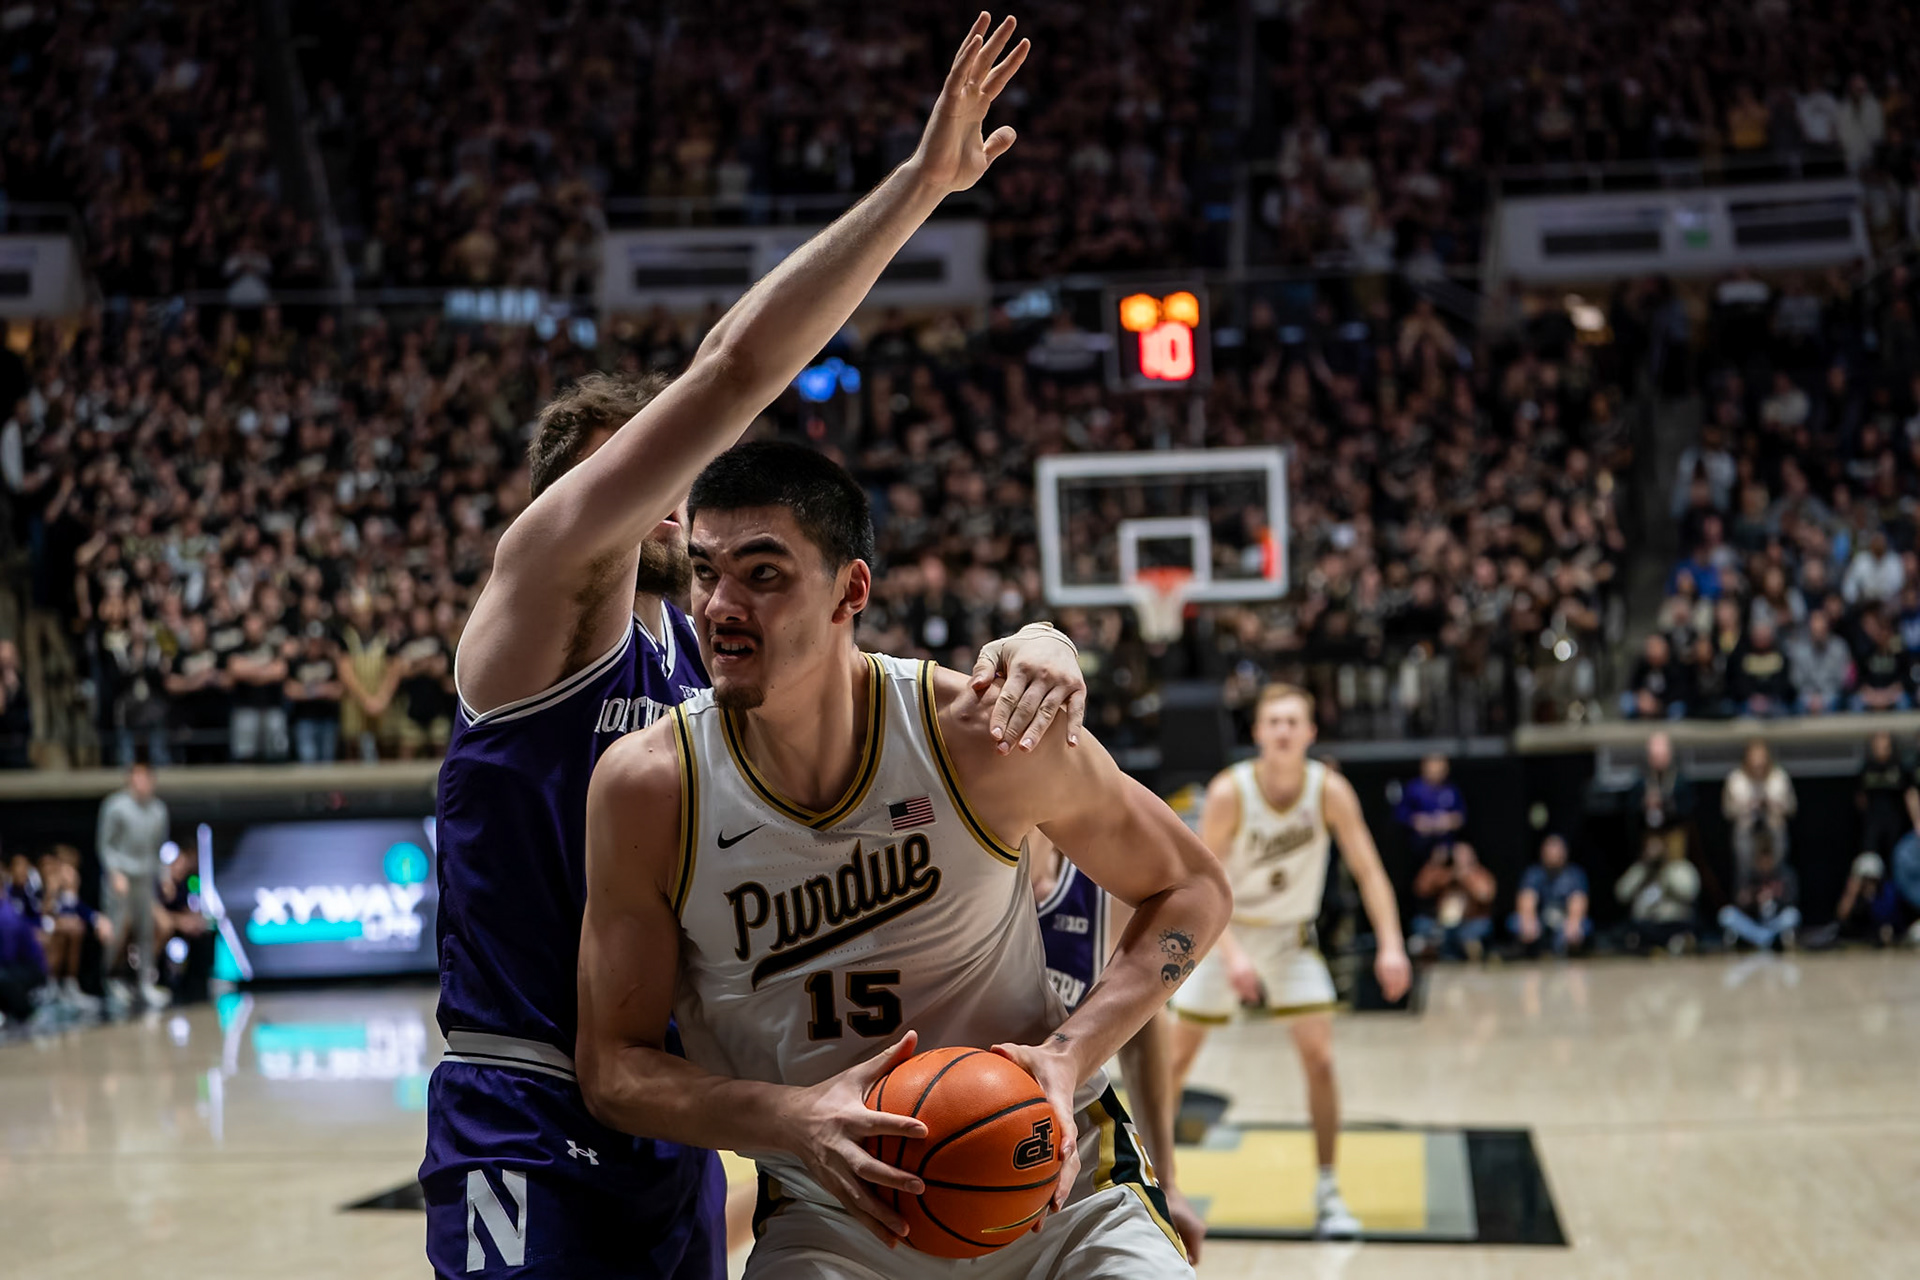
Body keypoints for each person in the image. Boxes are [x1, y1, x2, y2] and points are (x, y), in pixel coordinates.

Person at [424, 22, 1083, 1280]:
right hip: (525, 1103)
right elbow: (732, 372)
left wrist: (1041, 637)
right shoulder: (539, 593)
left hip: (674, 1112)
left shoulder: (704, 659)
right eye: (662, 477)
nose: (686, 504)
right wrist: (920, 190)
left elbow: (878, 710)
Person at [576, 439, 1228, 1278]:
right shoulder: (650, 790)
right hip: (830, 1217)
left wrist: (1069, 1057)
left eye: (763, 574)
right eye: (706, 571)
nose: (720, 605)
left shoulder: (980, 733)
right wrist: (797, 1119)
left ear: (852, 589)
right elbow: (614, 1070)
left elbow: (1194, 888)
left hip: (1057, 1190)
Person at [1167, 683, 1410, 1240]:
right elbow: (1203, 887)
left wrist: (1392, 944)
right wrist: (1229, 956)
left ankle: (1327, 1189)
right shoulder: (1231, 791)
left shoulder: (1330, 791)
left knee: (1321, 1060)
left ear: (1309, 732)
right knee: (1175, 1064)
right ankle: (1159, 1182)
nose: (1281, 730)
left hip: (1289, 939)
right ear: (1257, 733)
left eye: (1291, 721)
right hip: (1223, 933)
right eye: (1272, 721)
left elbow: (1370, 872)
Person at [1030, 835, 1205, 1262]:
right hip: (959, 1130)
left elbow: (1140, 1024)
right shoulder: (960, 874)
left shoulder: (1105, 888)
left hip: (1069, 1144)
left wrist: (1167, 1180)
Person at [94, 760, 170, 1012]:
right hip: (121, 879)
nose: (141, 782)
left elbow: (159, 848)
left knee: (147, 930)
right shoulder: (115, 806)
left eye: (146, 777)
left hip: (145, 878)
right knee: (117, 930)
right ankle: (109, 979)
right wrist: (114, 872)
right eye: (136, 777)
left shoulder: (159, 810)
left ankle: (144, 982)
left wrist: (165, 875)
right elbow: (105, 845)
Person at [1409, 842, 1497, 960]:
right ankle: (1430, 951)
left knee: (1476, 929)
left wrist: (1466, 879)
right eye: (1457, 855)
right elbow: (1421, 889)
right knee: (1421, 924)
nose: (1460, 858)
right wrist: (1435, 863)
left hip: (1471, 923)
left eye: (1464, 855)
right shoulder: (1445, 874)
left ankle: (1471, 950)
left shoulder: (1480, 874)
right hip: (1443, 924)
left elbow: (1485, 896)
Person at [1723, 739, 1795, 880]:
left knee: (1778, 878)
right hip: (1746, 835)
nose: (1758, 765)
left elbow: (1791, 808)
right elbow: (1728, 811)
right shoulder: (1736, 779)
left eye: (1761, 761)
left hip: (1774, 834)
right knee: (1746, 878)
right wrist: (1748, 806)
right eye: (1754, 762)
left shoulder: (1779, 778)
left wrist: (1772, 805)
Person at [1718, 836, 1801, 951]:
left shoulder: (1784, 875)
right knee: (1726, 915)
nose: (1765, 864)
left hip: (1774, 923)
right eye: (1762, 861)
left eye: (1768, 860)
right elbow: (1738, 902)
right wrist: (1753, 899)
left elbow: (1792, 901)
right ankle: (1766, 940)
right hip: (1753, 923)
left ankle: (1760, 940)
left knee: (1792, 915)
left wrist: (1774, 898)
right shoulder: (1748, 875)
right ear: (1757, 860)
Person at [1512, 834, 1589, 955]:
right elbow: (1527, 897)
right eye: (1550, 850)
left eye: (1557, 850)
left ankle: (1573, 951)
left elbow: (1578, 899)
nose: (1554, 854)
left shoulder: (1574, 874)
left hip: (1564, 920)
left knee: (1583, 927)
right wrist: (1528, 921)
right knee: (1516, 923)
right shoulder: (1534, 873)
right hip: (1540, 921)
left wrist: (1573, 924)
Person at [1394, 752, 1465, 860]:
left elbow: (1461, 816)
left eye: (1440, 771)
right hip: (1419, 846)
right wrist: (1416, 821)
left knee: (1464, 853)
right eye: (1433, 770)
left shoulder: (1451, 789)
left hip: (1446, 845)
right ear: (1424, 769)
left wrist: (1448, 821)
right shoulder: (1414, 789)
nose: (1436, 774)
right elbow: (1400, 814)